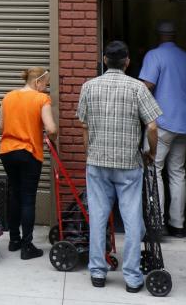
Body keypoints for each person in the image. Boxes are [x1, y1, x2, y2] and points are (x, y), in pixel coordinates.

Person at [77, 41, 161, 292]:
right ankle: (133, 278)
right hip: (128, 164)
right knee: (133, 220)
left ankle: (97, 272)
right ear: (127, 62)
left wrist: (88, 153)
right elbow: (153, 126)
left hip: (97, 162)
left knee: (99, 217)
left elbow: (84, 126)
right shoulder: (137, 88)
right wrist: (151, 153)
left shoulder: (88, 87)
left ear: (104, 60)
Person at [0, 67, 57, 260]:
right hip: (29, 153)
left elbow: (0, 127)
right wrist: (52, 138)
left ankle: (14, 240)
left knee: (15, 194)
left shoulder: (7, 97)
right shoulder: (41, 99)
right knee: (28, 197)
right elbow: (51, 128)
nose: (45, 88)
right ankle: (27, 246)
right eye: (45, 83)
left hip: (7, 151)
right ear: (37, 82)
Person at [139, 20, 186, 238]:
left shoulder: (154, 55)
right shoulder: (185, 56)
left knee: (153, 170)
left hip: (162, 123)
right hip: (184, 124)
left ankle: (157, 223)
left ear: (158, 35)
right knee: (178, 172)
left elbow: (146, 86)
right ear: (174, 35)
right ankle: (178, 224)